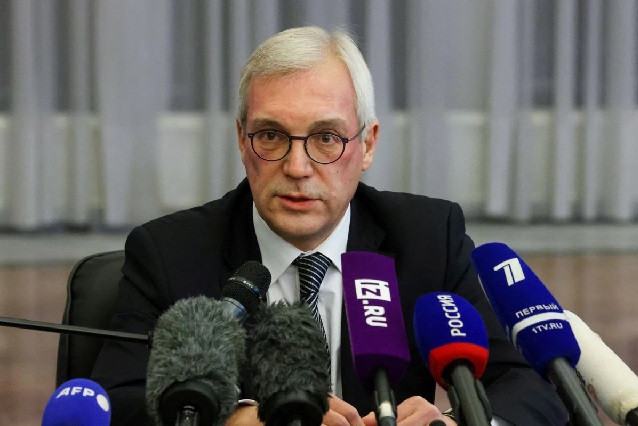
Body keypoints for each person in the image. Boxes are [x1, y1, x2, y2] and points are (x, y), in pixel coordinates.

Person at [92, 26, 568, 425]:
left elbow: (527, 388)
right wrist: (233, 419)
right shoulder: (169, 253)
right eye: (272, 136)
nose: (297, 166)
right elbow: (113, 401)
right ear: (241, 139)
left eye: (325, 138)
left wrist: (452, 424)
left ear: (368, 145)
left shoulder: (428, 238)